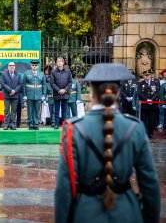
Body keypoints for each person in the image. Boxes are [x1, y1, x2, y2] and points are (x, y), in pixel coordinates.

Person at [55, 63, 160, 223]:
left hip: (86, 212)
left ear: (91, 92)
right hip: (128, 212)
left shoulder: (73, 129)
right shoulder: (135, 127)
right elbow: (149, 183)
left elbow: (64, 188)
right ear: (118, 92)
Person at [22, 60, 46, 130]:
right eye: (33, 65)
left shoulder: (41, 74)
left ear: (37, 66)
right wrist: (24, 95)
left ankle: (35, 123)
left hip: (38, 94)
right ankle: (30, 123)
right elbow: (24, 85)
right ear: (31, 65)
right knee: (30, 110)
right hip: (29, 94)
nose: (34, 67)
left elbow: (44, 85)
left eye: (35, 65)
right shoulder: (26, 73)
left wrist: (44, 95)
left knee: (37, 110)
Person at [50, 58, 72, 129]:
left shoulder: (68, 71)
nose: (59, 63)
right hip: (57, 93)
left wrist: (65, 90)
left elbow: (70, 82)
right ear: (56, 63)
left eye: (60, 61)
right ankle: (56, 124)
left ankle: (64, 124)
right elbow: (52, 83)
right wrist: (59, 90)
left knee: (64, 110)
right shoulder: (53, 72)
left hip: (65, 94)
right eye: (58, 61)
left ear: (63, 63)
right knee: (56, 110)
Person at [0, 62, 23, 130]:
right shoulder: (4, 74)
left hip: (15, 96)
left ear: (15, 67)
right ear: (8, 67)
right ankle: (6, 124)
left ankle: (13, 124)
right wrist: (10, 90)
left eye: (13, 65)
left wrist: (15, 91)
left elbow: (20, 84)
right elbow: (2, 84)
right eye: (10, 65)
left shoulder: (18, 74)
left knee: (14, 110)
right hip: (7, 95)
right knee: (6, 110)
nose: (12, 67)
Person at [138, 70, 160, 138]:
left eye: (148, 75)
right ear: (143, 76)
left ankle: (150, 133)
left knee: (152, 120)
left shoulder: (155, 83)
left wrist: (152, 100)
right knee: (143, 120)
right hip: (144, 105)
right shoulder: (141, 83)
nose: (147, 77)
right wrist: (146, 100)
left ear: (150, 76)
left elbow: (157, 92)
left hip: (152, 105)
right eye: (145, 75)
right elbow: (139, 93)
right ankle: (144, 133)